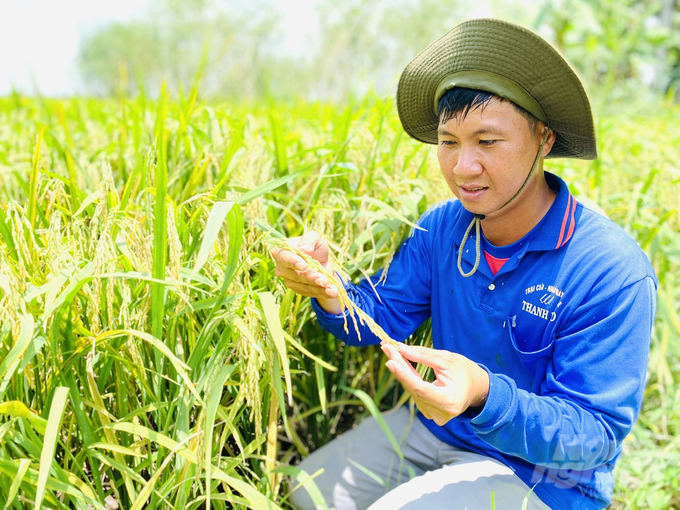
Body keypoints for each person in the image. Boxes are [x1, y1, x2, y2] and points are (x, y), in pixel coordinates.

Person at [273, 18, 657, 510]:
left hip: (543, 477)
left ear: (544, 139)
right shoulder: (443, 229)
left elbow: (595, 434)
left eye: (487, 142)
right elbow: (380, 316)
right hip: (439, 430)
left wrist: (482, 394)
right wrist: (327, 286)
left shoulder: (609, 269)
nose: (462, 167)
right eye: (449, 142)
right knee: (308, 491)